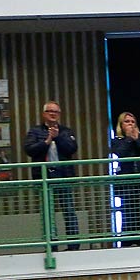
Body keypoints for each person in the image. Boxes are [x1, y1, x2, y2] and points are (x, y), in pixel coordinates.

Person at [23, 100, 80, 240]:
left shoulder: (66, 131)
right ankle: (52, 244)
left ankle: (73, 245)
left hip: (63, 174)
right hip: (44, 175)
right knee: (48, 212)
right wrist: (47, 141)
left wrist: (58, 137)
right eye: (50, 111)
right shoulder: (35, 131)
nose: (53, 114)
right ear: (44, 114)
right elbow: (29, 149)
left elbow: (72, 149)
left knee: (68, 209)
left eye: (56, 112)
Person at [109, 111, 140, 241]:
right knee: (129, 211)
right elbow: (120, 153)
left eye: (132, 122)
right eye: (127, 122)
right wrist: (129, 139)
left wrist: (137, 139)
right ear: (121, 125)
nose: (130, 124)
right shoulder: (117, 140)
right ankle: (130, 241)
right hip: (127, 181)